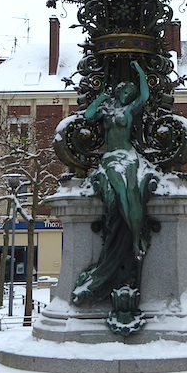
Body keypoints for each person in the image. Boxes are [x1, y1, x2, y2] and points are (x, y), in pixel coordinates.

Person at [72, 60, 157, 306]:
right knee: (119, 192)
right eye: (125, 91)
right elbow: (88, 115)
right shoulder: (107, 111)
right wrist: (100, 98)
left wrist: (141, 71)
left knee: (132, 191)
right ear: (119, 92)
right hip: (110, 158)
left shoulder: (130, 111)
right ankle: (129, 238)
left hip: (129, 156)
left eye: (130, 92)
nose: (128, 95)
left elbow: (145, 94)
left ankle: (134, 238)